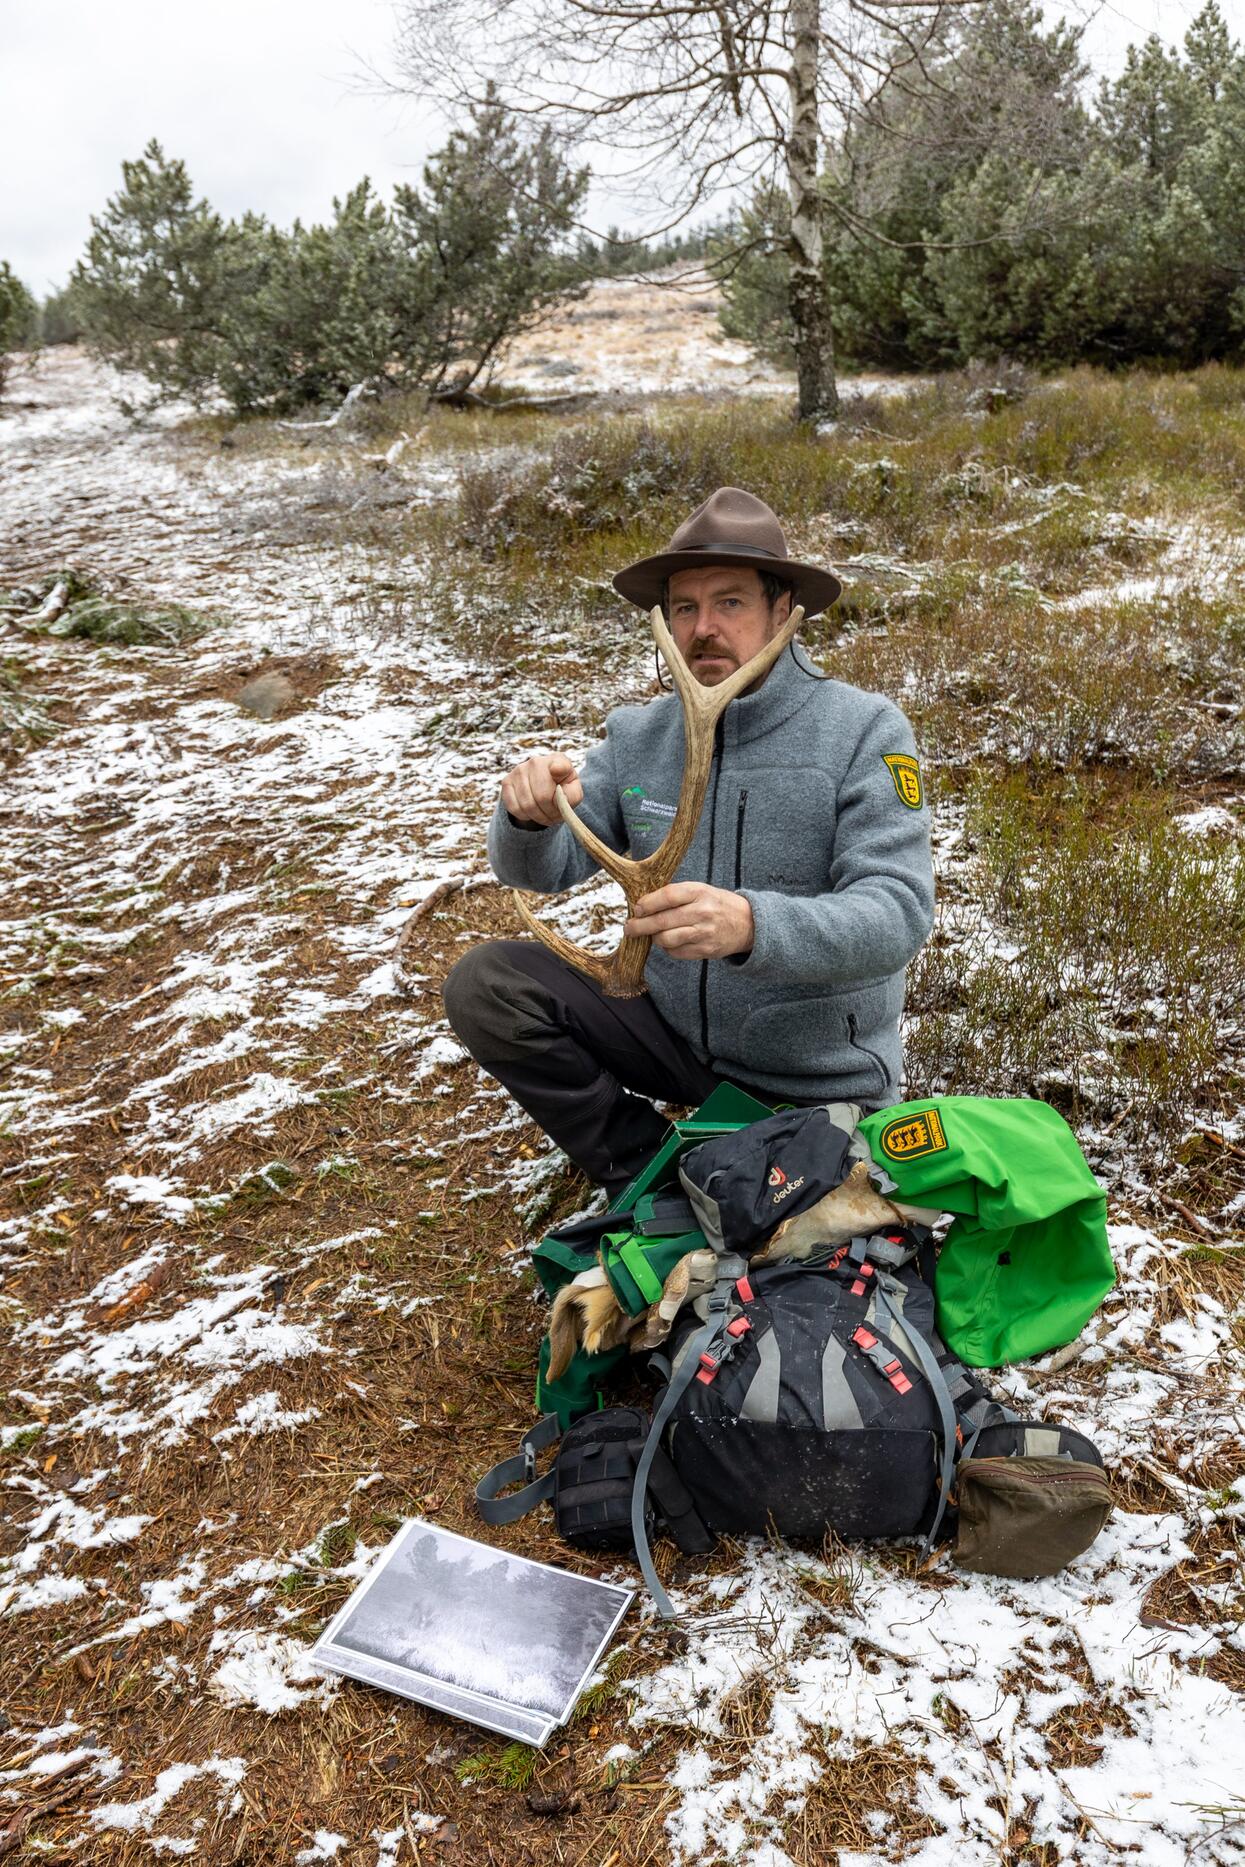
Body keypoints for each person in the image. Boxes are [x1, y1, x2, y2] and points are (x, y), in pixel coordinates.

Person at [443, 486, 934, 1202]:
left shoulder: (864, 732)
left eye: (729, 602)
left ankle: (736, 1158)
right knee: (487, 986)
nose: (702, 628)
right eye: (683, 608)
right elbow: (544, 872)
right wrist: (528, 819)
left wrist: (749, 925)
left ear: (782, 612)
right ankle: (643, 1168)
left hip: (816, 1079)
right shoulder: (641, 734)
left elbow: (896, 914)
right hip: (673, 1040)